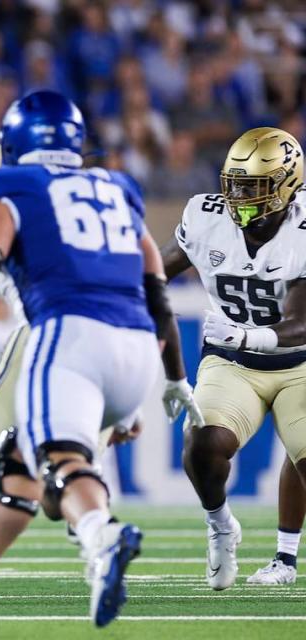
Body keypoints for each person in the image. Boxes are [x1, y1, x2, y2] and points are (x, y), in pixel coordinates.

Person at [0, 91, 179, 628]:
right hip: (138, 342)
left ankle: (102, 535)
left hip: (66, 336)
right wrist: (166, 379)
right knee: (24, 470)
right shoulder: (117, 188)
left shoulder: (8, 187)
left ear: (13, 143)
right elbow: (156, 288)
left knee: (53, 464)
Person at [161, 127, 306, 590]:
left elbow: (302, 321)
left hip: (299, 361)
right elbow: (158, 269)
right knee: (202, 446)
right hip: (231, 362)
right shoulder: (206, 216)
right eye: (235, 183)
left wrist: (245, 335)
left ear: (286, 185)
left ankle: (284, 558)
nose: (239, 195)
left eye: (254, 186)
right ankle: (221, 526)